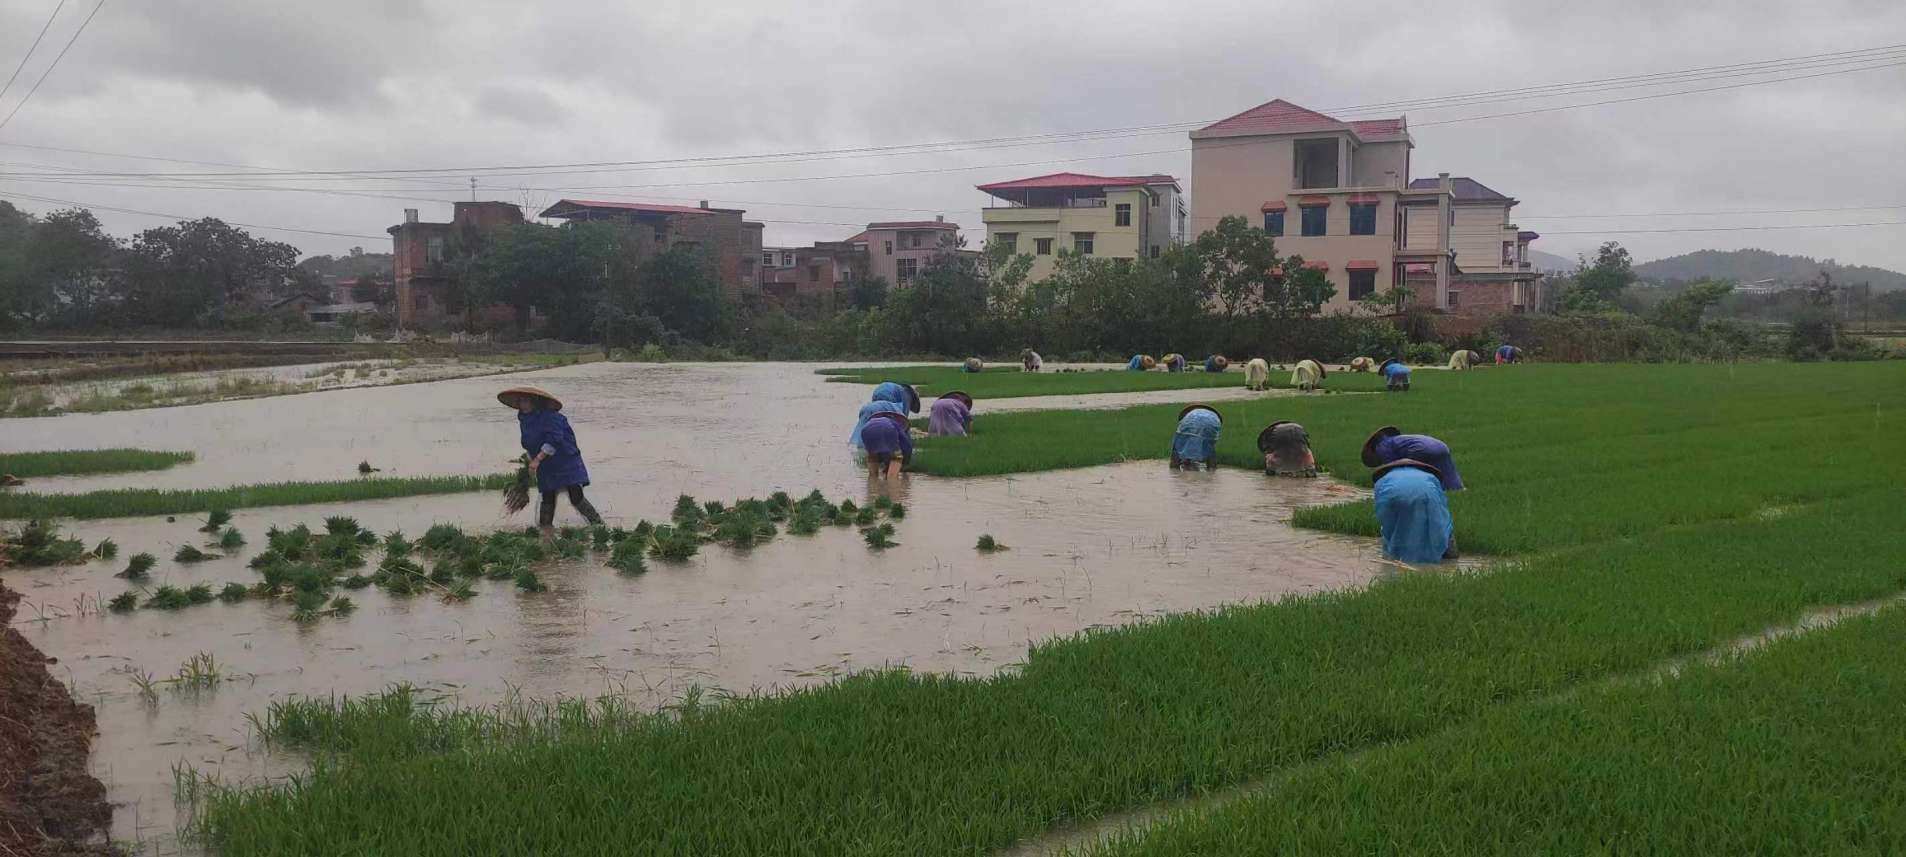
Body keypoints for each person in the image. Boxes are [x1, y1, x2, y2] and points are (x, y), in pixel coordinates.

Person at [500, 386, 603, 534]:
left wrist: (537, 460)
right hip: (546, 463)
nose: (523, 404)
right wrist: (531, 462)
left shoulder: (552, 417)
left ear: (534, 402)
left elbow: (554, 440)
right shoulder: (525, 420)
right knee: (548, 496)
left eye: (526, 401)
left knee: (575, 495)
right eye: (521, 401)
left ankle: (598, 525)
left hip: (565, 459)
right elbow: (530, 443)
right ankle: (545, 531)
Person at [1372, 459, 1454, 564]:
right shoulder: (1430, 477)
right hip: (1428, 497)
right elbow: (1441, 500)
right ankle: (1450, 559)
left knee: (1394, 527)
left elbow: (1382, 505)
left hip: (1393, 497)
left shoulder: (1383, 479)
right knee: (1441, 523)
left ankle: (1395, 557)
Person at [1361, 426, 1465, 492]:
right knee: (1446, 470)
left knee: (1412, 474)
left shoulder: (1382, 447)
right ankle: (1456, 489)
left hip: (1420, 450)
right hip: (1442, 446)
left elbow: (1391, 468)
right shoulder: (1396, 440)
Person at [850, 382, 919, 458]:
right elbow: (903, 424)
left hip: (871, 402)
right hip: (886, 400)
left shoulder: (896, 392)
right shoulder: (905, 398)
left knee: (875, 427)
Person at [859, 411, 912, 480]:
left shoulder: (872, 422)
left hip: (866, 430)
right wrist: (905, 462)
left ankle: (872, 482)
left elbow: (882, 450)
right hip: (888, 429)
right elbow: (907, 445)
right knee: (897, 458)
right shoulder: (895, 424)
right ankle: (892, 483)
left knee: (872, 455)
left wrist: (887, 465)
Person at [1169, 404, 1223, 471]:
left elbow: (1178, 449)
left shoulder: (1189, 416)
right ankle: (1212, 468)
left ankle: (1180, 468)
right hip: (1213, 423)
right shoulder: (1212, 415)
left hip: (1190, 423)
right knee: (1209, 447)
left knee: (1178, 446)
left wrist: (1174, 466)